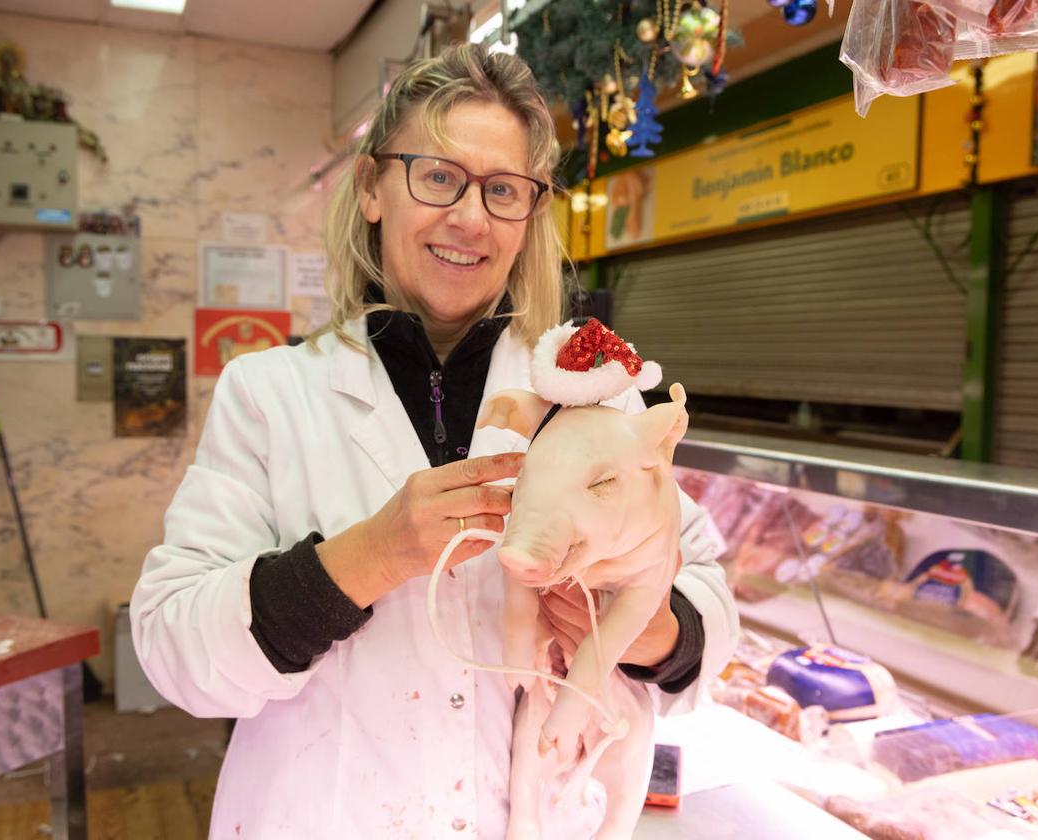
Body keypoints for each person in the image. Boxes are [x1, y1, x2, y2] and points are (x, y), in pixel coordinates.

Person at [131, 44, 738, 839]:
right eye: (438, 177)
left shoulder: (596, 394)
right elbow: (175, 650)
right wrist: (370, 557)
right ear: (373, 188)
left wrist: (647, 630)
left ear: (531, 215)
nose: (470, 217)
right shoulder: (272, 395)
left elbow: (708, 607)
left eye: (504, 191)